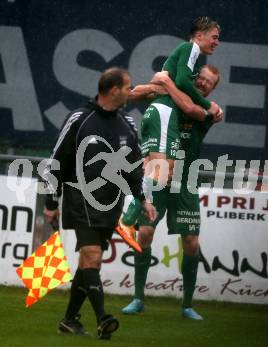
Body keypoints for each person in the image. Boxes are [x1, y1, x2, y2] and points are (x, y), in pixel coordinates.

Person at [42, 67, 157, 339]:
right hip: (79, 197)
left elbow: (133, 169)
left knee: (89, 263)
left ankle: (69, 320)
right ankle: (103, 318)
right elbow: (56, 160)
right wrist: (50, 201)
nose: (132, 92)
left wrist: (143, 200)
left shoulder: (127, 123)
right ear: (114, 90)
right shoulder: (80, 118)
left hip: (111, 202)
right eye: (128, 87)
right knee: (92, 256)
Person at [121, 65, 223, 320]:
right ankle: (138, 298)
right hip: (158, 177)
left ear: (213, 88)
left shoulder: (207, 109)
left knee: (190, 241)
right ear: (193, 78)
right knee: (144, 234)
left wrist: (165, 83)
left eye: (209, 82)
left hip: (185, 180)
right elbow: (137, 92)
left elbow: (192, 108)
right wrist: (158, 84)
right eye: (200, 78)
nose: (203, 83)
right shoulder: (168, 98)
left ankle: (187, 304)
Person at [117, 16, 222, 233]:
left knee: (155, 170)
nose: (217, 42)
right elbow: (183, 82)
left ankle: (130, 219)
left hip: (156, 114)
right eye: (214, 37)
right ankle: (126, 221)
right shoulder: (191, 49)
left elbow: (162, 84)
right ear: (199, 35)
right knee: (163, 171)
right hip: (163, 115)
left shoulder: (183, 63)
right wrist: (206, 103)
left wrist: (161, 84)